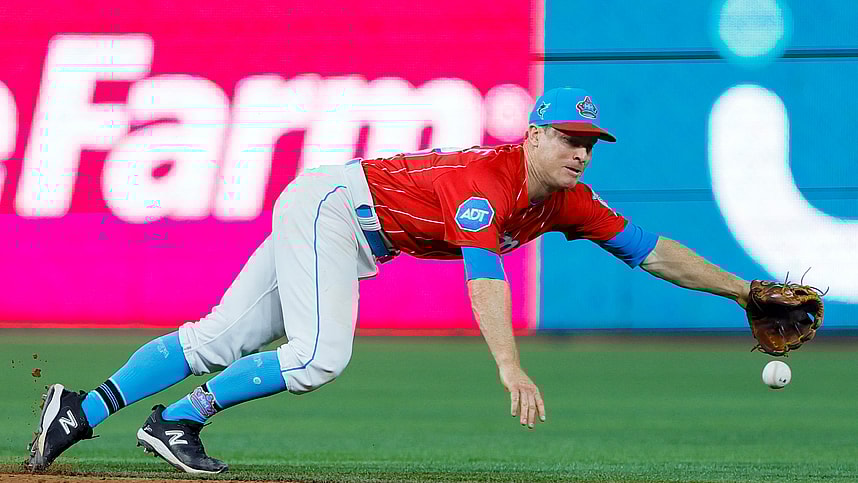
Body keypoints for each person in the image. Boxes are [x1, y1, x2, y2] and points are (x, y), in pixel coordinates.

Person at [27, 87, 752, 474]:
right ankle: (179, 419)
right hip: (334, 210)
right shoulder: (486, 183)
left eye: (590, 143)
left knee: (219, 336)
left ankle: (78, 409)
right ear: (534, 135)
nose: (581, 152)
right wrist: (508, 362)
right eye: (568, 137)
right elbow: (483, 275)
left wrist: (746, 294)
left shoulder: (568, 201)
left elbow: (654, 252)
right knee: (317, 356)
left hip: (340, 218)